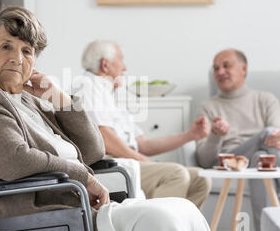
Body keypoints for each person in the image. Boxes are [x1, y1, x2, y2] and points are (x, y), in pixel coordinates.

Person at [0, 6, 215, 231]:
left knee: (184, 209)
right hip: (33, 216)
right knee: (161, 220)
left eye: (27, 51)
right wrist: (82, 177)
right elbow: (12, 160)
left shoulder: (27, 99)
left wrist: (60, 99)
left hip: (73, 208)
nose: (18, 58)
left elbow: (93, 150)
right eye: (6, 47)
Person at [72, 40, 212, 209]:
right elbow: (105, 139)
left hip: (125, 162)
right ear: (105, 64)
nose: (125, 68)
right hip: (108, 166)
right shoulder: (87, 88)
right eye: (121, 60)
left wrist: (190, 135)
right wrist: (145, 161)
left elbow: (143, 143)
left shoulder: (110, 96)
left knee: (200, 178)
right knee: (176, 174)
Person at [196, 48, 280, 231]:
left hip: (256, 159)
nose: (219, 72)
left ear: (243, 68)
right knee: (268, 135)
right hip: (229, 160)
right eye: (216, 68)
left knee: (260, 158)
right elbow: (204, 160)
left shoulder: (264, 99)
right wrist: (216, 136)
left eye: (226, 65)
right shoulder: (208, 107)